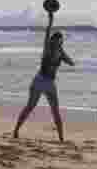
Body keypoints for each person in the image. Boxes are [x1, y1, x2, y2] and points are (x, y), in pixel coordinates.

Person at [13, 9, 75, 141]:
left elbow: (71, 63)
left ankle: (61, 138)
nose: (59, 42)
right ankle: (16, 130)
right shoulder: (47, 47)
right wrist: (51, 20)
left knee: (56, 111)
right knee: (30, 107)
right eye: (57, 40)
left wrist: (65, 56)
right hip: (39, 81)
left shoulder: (60, 52)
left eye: (61, 41)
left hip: (50, 83)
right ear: (53, 40)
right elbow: (47, 33)